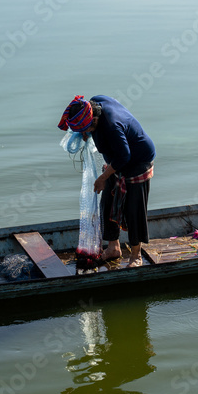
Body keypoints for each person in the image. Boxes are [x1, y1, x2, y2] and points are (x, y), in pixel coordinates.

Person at [58, 95, 156, 267]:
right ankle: (113, 248)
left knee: (134, 211)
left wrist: (103, 177)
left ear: (94, 119)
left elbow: (124, 156)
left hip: (137, 162)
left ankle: (136, 255)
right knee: (107, 205)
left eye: (87, 128)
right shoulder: (96, 101)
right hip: (116, 161)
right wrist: (85, 132)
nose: (85, 132)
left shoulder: (111, 126)